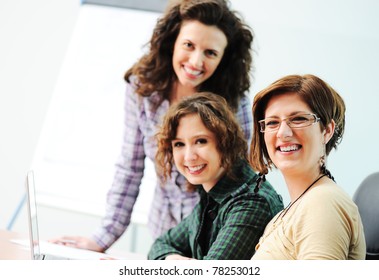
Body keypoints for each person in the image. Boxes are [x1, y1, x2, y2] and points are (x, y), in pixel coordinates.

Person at [51, 0, 255, 252]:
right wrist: (101, 239)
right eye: (188, 45)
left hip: (216, 237)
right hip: (164, 234)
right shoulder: (143, 89)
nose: (195, 61)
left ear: (223, 58)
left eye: (210, 53)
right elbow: (130, 166)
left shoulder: (235, 103)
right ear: (173, 41)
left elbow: (241, 182)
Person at [147, 92, 283, 260]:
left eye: (201, 141)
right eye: (179, 144)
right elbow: (160, 244)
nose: (189, 156)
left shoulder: (251, 202)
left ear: (226, 142)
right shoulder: (211, 194)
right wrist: (173, 259)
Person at [250, 74, 366, 260]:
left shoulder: (322, 202)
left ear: (327, 130)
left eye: (298, 119)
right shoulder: (292, 210)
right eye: (272, 122)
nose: (283, 133)